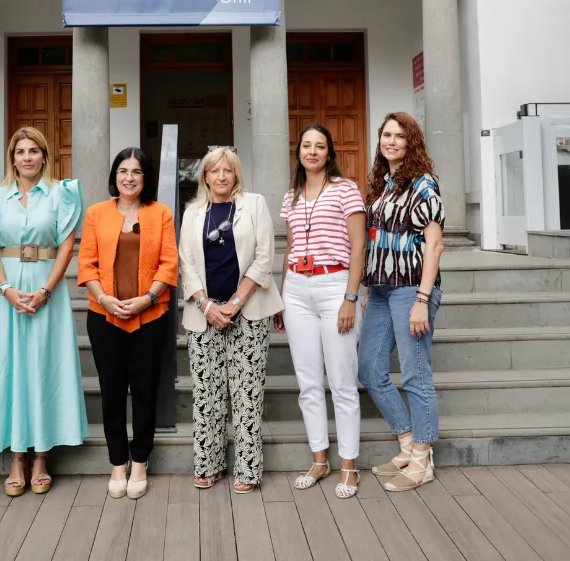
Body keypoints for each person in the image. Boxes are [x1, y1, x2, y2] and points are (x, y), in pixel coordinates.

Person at [0, 126, 86, 497]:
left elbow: (67, 245)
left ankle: (41, 457)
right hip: (6, 290)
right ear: (12, 158)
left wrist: (47, 289)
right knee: (10, 365)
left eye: (34, 150)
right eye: (21, 152)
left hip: (46, 287)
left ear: (45, 156)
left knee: (43, 365)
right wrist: (5, 289)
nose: (28, 157)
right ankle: (17, 457)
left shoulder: (61, 195)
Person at [177, 147, 283, 494]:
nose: (221, 176)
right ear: (204, 176)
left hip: (248, 313)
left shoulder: (254, 204)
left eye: (228, 170)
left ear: (236, 174)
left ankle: (248, 469)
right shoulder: (192, 212)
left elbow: (265, 258)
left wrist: (235, 303)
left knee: (246, 394)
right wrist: (207, 306)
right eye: (214, 171)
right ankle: (208, 464)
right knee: (207, 394)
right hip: (203, 314)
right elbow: (185, 265)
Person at [78, 147, 178, 500]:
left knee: (146, 390)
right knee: (112, 392)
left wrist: (147, 298)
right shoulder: (96, 213)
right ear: (114, 176)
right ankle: (117, 462)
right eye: (123, 171)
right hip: (104, 316)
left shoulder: (160, 213)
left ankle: (140, 461)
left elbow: (169, 263)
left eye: (136, 171)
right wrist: (105, 299)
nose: (129, 177)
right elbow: (87, 264)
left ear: (145, 177)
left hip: (149, 316)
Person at [274, 124, 366, 499]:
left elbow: (359, 248)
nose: (312, 151)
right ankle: (319, 459)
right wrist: (281, 296)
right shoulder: (292, 195)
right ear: (299, 152)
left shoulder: (346, 190)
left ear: (330, 154)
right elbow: (290, 247)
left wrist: (350, 297)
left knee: (342, 381)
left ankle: (349, 465)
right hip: (297, 289)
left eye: (320, 146)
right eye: (306, 146)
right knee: (308, 382)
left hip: (335, 287)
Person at [357, 112, 446, 492]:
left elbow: (435, 244)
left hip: (412, 288)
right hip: (379, 289)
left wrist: (422, 299)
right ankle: (408, 444)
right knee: (369, 370)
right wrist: (364, 289)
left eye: (399, 136)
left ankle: (423, 459)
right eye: (386, 135)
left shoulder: (423, 184)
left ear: (411, 143)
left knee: (415, 374)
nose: (391, 141)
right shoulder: (382, 184)